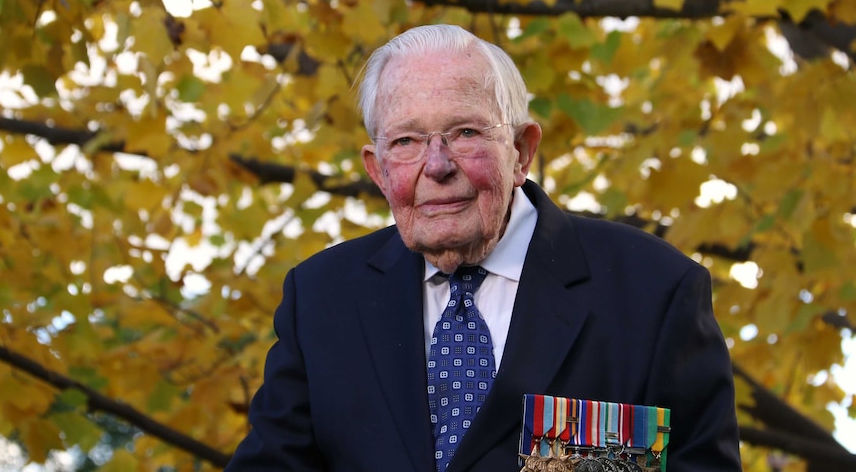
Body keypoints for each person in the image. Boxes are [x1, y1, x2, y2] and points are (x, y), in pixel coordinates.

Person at [225, 24, 742, 472]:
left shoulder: (654, 291)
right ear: (378, 170)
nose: (436, 165)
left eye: (465, 132)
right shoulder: (321, 299)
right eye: (405, 142)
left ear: (522, 151)